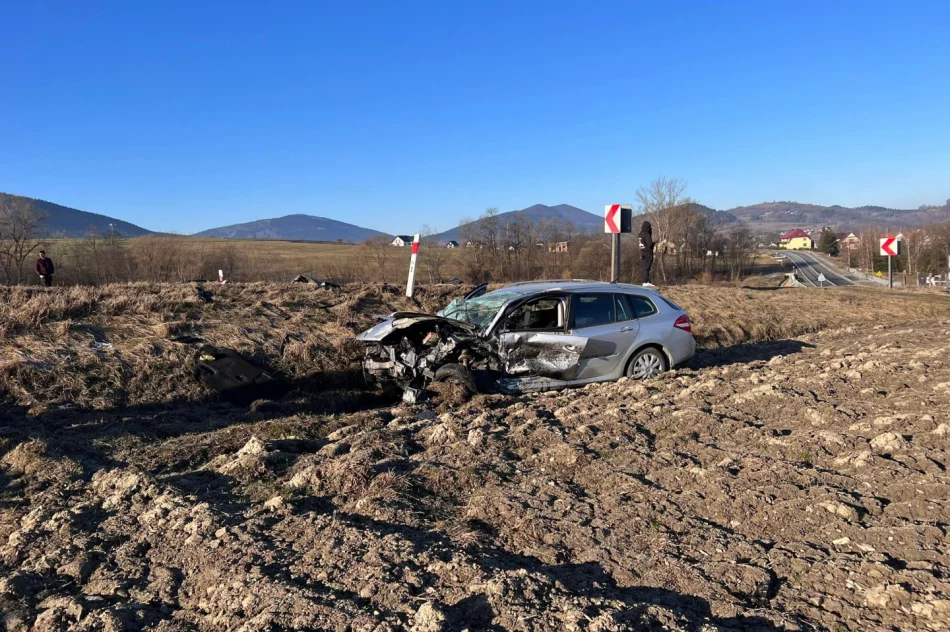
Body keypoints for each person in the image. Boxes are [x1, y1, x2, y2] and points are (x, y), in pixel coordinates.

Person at [638, 220, 655, 286]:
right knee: (647, 267)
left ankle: (645, 281)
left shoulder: (640, 234)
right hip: (648, 252)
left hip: (642, 252)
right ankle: (646, 281)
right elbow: (649, 244)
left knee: (644, 267)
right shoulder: (646, 234)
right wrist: (654, 243)